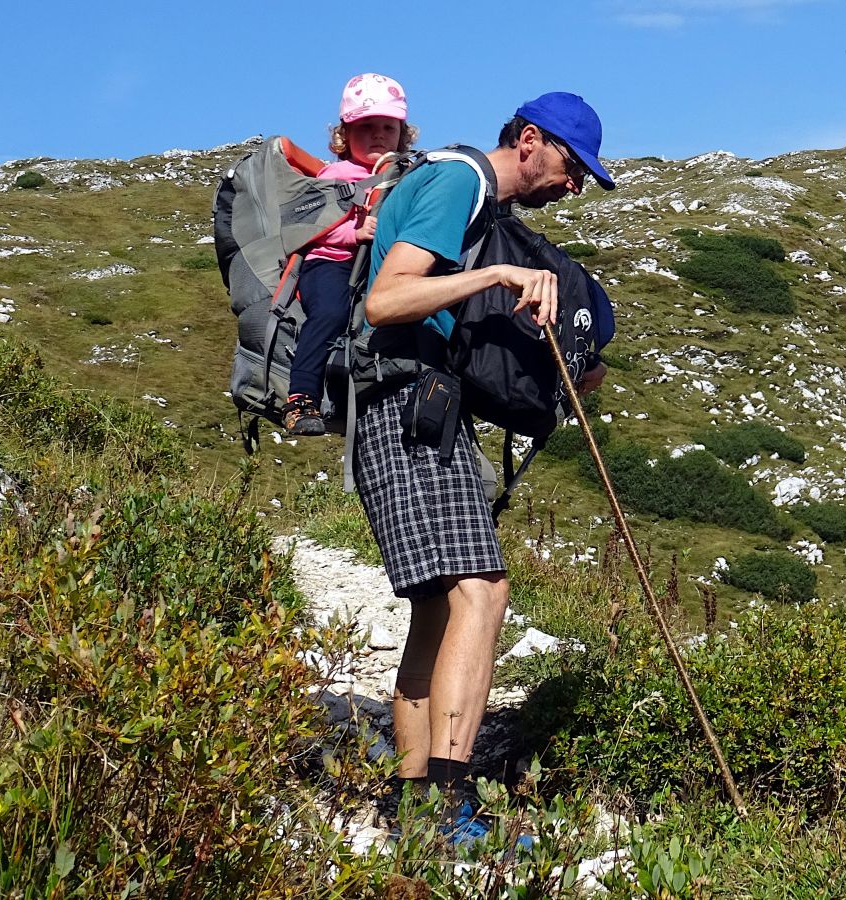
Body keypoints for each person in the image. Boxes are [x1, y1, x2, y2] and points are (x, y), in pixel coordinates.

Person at [354, 92, 615, 833]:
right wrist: (495, 279)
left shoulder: (475, 202)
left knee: (439, 608)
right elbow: (387, 299)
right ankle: (447, 803)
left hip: (416, 404)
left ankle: (413, 810)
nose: (575, 186)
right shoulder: (460, 182)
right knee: (484, 590)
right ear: (530, 140)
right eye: (573, 167)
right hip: (403, 402)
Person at [282, 73, 417, 436]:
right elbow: (310, 224)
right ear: (345, 135)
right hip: (328, 262)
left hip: (375, 269)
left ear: (402, 134)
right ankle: (300, 397)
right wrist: (354, 234)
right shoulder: (335, 174)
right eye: (365, 127)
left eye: (387, 127)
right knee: (330, 312)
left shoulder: (407, 176)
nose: (377, 134)